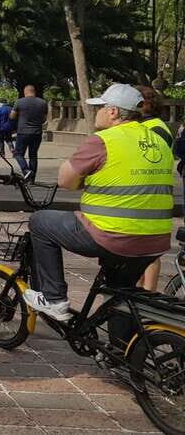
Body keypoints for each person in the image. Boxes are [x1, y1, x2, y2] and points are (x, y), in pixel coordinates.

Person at [22, 84, 173, 331]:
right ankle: (119, 354)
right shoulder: (157, 140)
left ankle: (54, 299)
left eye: (100, 107)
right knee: (119, 293)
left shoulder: (103, 140)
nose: (97, 113)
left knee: (40, 221)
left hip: (111, 235)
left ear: (113, 111)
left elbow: (66, 181)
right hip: (155, 241)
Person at [135, 85, 173, 291]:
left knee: (149, 253)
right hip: (149, 195)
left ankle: (147, 296)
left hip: (151, 195)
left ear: (147, 104)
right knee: (142, 250)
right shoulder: (150, 126)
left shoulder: (155, 128)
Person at [11, 85, 48, 182]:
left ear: (25, 92)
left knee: (18, 154)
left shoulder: (19, 102)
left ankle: (26, 170)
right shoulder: (43, 103)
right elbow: (44, 119)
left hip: (23, 132)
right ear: (34, 91)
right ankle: (32, 179)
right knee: (33, 155)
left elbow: (12, 116)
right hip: (37, 132)